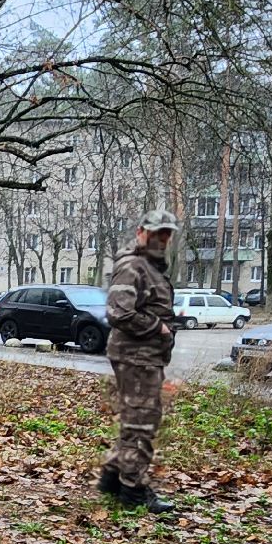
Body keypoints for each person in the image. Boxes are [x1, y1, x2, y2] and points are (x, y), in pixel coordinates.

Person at [99, 209, 179, 513]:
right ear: (141, 232)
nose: (162, 239)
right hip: (136, 358)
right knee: (142, 424)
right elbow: (118, 312)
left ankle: (112, 476)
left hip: (144, 357)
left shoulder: (150, 266)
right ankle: (132, 490)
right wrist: (158, 327)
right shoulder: (133, 265)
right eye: (157, 233)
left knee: (135, 421)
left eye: (166, 234)